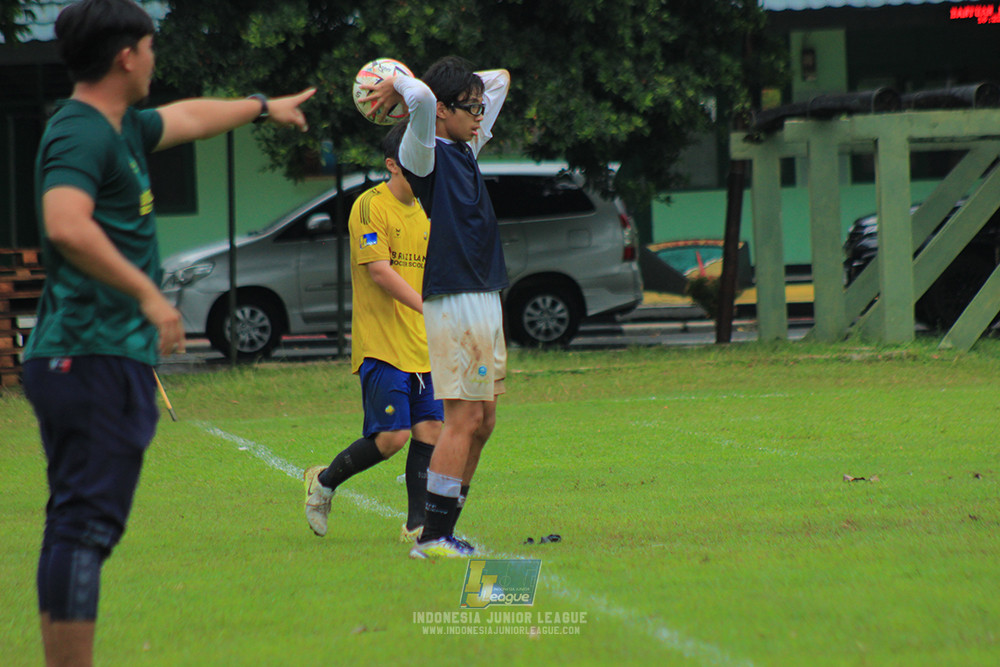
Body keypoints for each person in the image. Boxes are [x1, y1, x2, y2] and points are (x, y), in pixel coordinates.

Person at [21, 1, 313, 665]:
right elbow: (66, 223)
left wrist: (264, 106)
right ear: (127, 55)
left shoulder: (118, 125)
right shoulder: (80, 133)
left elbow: (189, 117)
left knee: (82, 520)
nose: (157, 59)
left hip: (99, 353)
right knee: (82, 522)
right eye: (152, 47)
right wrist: (151, 295)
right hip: (86, 352)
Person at [365, 56, 511, 559]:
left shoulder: (466, 143)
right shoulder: (422, 151)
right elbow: (424, 100)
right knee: (463, 419)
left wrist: (461, 91)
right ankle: (432, 537)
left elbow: (499, 78)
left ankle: (445, 528)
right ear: (444, 110)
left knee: (485, 420)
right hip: (456, 298)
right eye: (470, 108)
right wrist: (398, 84)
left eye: (480, 108)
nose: (481, 115)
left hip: (483, 295)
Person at [302, 121, 442, 543]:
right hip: (381, 343)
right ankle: (323, 482)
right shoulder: (369, 205)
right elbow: (380, 272)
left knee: (430, 432)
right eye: (417, 160)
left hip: (422, 342)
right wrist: (427, 307)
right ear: (393, 165)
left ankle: (417, 525)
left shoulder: (428, 212)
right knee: (392, 437)